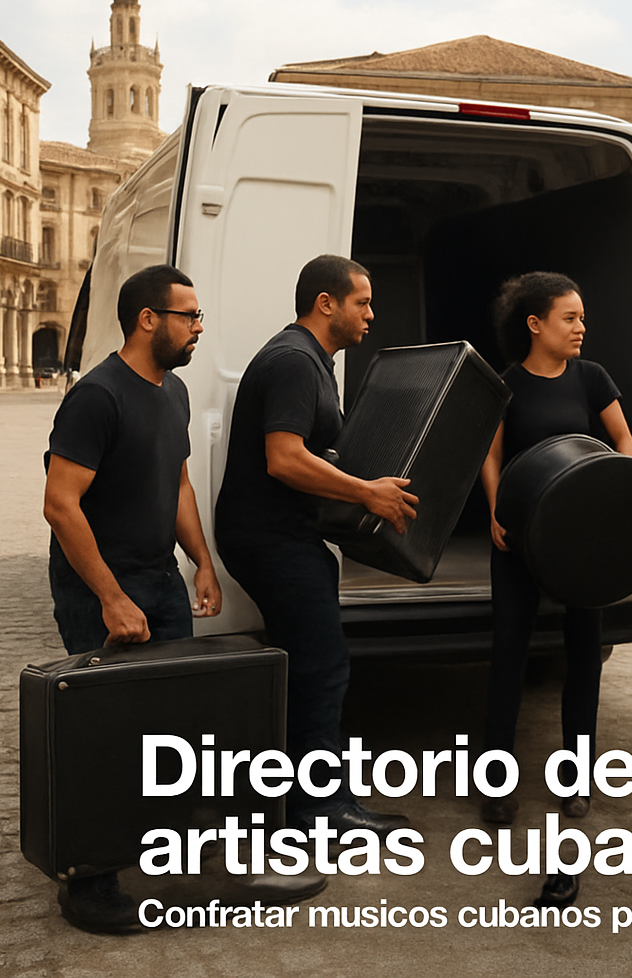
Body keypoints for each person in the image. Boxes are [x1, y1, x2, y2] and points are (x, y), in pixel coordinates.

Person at [43, 264, 224, 931]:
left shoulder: (172, 392)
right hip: (101, 587)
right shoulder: (97, 397)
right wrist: (112, 599)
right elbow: (61, 507)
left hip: (159, 578)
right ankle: (88, 884)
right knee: (105, 731)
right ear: (149, 318)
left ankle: (164, 846)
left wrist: (202, 562)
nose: (200, 328)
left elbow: (177, 485)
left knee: (172, 722)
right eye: (190, 316)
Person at [215, 254, 418, 841]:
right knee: (323, 668)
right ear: (325, 304)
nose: (372, 314)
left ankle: (297, 802)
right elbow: (284, 458)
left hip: (281, 537)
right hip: (270, 539)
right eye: (363, 302)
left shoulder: (311, 361)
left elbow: (314, 449)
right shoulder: (294, 361)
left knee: (305, 666)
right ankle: (320, 812)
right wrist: (366, 493)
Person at [479, 271, 632, 907]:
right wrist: (495, 510)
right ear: (534, 324)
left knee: (584, 654)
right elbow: (490, 455)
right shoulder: (505, 385)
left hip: (584, 538)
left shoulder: (592, 378)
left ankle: (579, 774)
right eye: (569, 317)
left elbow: (623, 441)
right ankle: (494, 780)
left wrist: (621, 490)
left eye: (582, 318)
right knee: (509, 653)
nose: (580, 328)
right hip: (521, 537)